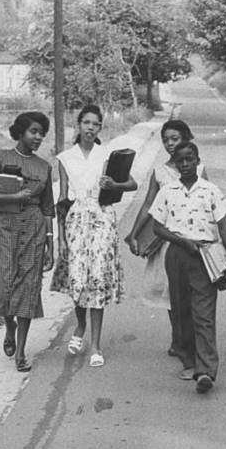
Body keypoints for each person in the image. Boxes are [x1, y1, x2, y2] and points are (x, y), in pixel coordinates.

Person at [50, 104, 137, 367]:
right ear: (78, 125)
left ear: (100, 127)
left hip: (101, 218)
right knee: (78, 277)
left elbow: (131, 183)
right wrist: (61, 239)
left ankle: (96, 345)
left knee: (97, 277)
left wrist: (115, 184)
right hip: (76, 219)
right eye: (86, 123)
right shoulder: (66, 158)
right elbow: (62, 199)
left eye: (95, 124)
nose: (90, 128)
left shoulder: (107, 155)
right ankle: (80, 326)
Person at [150, 141, 226, 392]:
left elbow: (223, 226)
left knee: (204, 313)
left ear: (198, 161)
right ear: (175, 165)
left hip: (205, 255)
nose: (186, 164)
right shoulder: (167, 192)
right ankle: (188, 359)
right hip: (177, 255)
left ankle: (206, 370)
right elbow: (158, 227)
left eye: (190, 159)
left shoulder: (210, 190)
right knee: (181, 311)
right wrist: (181, 241)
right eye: (181, 161)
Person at [0, 111, 55, 373]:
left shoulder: (44, 167)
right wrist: (14, 196)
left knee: (29, 288)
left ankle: (21, 351)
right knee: (6, 284)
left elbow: (47, 208)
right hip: (6, 226)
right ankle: (9, 326)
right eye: (33, 131)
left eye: (42, 133)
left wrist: (50, 243)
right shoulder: (0, 158)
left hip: (34, 229)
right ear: (20, 132)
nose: (38, 137)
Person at [126, 119, 209, 358]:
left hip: (194, 240)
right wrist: (134, 233)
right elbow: (148, 205)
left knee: (193, 292)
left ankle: (192, 340)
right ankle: (179, 338)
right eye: (166, 140)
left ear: (186, 139)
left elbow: (210, 201)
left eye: (175, 139)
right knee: (171, 293)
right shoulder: (160, 172)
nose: (170, 144)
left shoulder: (200, 169)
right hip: (166, 242)